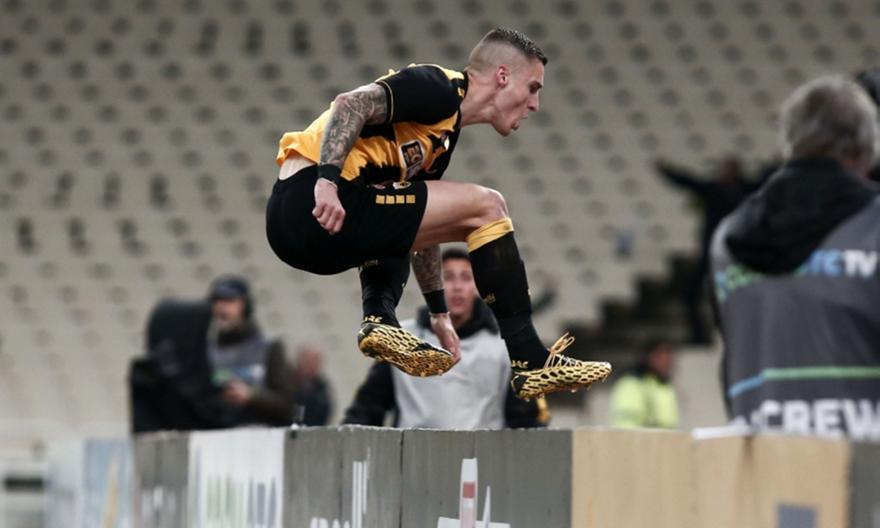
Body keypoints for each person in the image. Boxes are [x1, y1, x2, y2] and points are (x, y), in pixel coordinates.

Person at [265, 27, 611, 399]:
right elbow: (350, 103)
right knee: (489, 207)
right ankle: (528, 356)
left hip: (296, 227)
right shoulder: (439, 87)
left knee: (402, 196)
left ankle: (380, 319)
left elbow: (422, 224)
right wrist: (327, 182)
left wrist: (439, 312)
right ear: (502, 76)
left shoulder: (442, 136)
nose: (535, 105)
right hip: (315, 196)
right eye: (533, 88)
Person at [711, 75, 880, 440]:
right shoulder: (872, 225)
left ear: (789, 143)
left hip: (767, 462)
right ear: (866, 150)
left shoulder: (726, 239)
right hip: (864, 464)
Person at [342, 248, 548, 429]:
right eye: (448, 277)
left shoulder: (502, 346)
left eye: (466, 278)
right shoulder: (402, 339)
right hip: (416, 457)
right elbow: (369, 406)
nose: (457, 286)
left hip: (480, 459)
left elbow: (523, 417)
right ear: (432, 284)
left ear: (477, 286)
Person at [653, 155, 765, 344]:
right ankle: (699, 334)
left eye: (730, 169)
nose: (725, 173)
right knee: (691, 292)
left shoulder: (747, 190)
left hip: (738, 256)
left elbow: (770, 178)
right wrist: (667, 171)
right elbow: (689, 182)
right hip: (713, 255)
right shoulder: (714, 190)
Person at [206, 275, 295, 427]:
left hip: (261, 432)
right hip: (217, 432)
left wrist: (252, 397)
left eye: (230, 301)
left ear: (245, 305)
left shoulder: (269, 347)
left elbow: (286, 403)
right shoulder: (207, 350)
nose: (222, 308)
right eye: (218, 301)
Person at [609, 339, 679, 429]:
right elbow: (627, 423)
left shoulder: (664, 385)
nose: (666, 361)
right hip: (641, 437)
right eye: (661, 356)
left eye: (669, 357)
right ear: (649, 357)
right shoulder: (632, 383)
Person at [290, 344, 333, 426]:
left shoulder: (322, 391)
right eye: (308, 361)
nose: (312, 365)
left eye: (316, 361)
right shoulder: (287, 384)